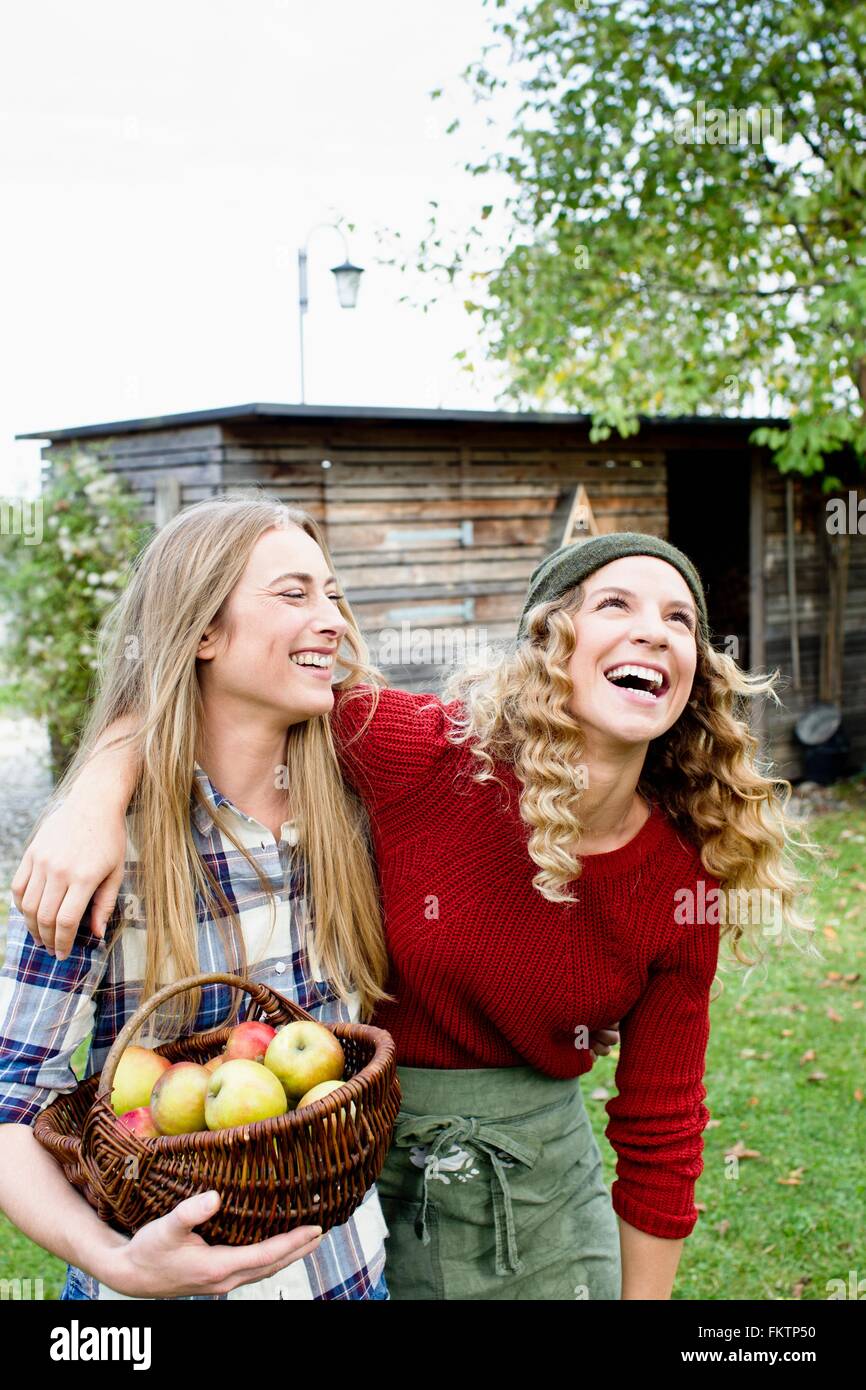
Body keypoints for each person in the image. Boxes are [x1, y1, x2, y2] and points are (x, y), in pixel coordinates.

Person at [13, 529, 820, 1299]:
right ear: (549, 643)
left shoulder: (682, 881)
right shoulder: (425, 755)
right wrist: (99, 784)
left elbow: (663, 1128)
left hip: (495, 1211)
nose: (653, 632)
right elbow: (219, 689)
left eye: (678, 619)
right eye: (616, 605)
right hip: (356, 1180)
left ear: (699, 674)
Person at [0, 492, 393, 1300]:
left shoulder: (360, 803)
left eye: (333, 595)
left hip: (346, 1274)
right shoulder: (107, 851)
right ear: (205, 631)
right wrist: (116, 1264)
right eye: (294, 594)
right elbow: (9, 1106)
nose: (332, 622)